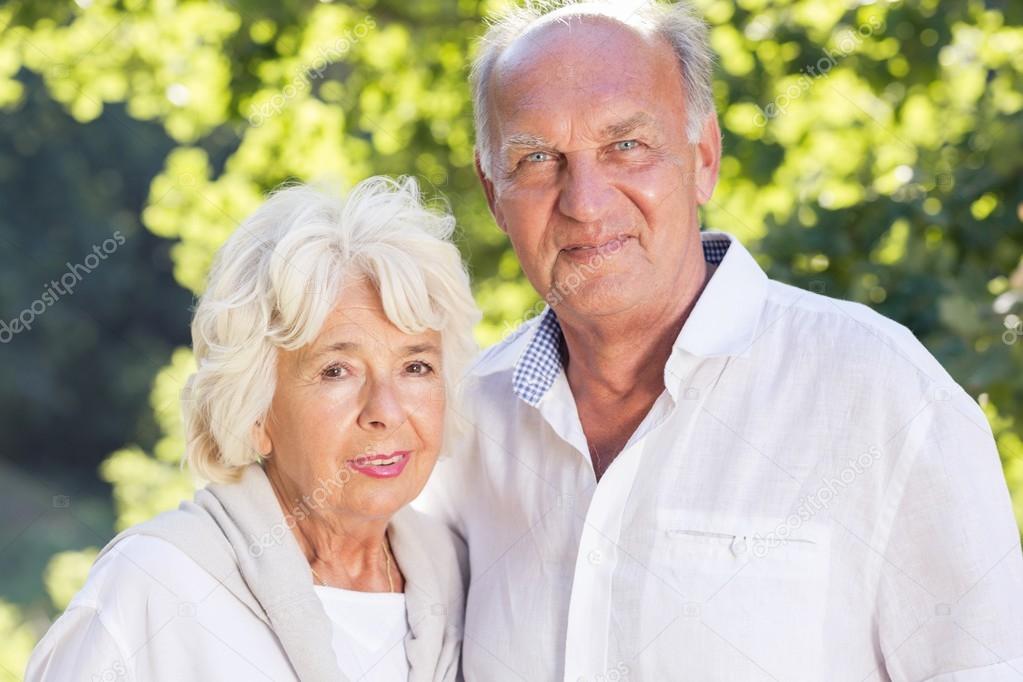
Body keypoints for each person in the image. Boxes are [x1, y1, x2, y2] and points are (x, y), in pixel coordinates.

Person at [414, 2, 1023, 680]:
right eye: (536, 158)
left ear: (703, 157)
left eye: (626, 145)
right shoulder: (453, 426)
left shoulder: (881, 393)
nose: (584, 202)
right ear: (493, 191)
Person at [27, 177, 479, 682]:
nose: (386, 411)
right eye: (336, 370)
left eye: (416, 367)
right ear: (255, 408)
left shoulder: (462, 578)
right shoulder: (154, 585)